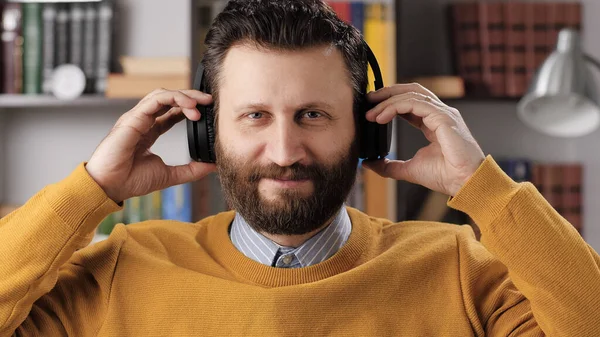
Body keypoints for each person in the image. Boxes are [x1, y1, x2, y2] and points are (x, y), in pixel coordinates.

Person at [1, 0, 599, 335]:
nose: (285, 151)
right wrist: (93, 189)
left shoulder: (461, 272)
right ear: (207, 132)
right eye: (255, 115)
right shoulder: (120, 270)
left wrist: (484, 190)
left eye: (312, 114)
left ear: (369, 129)